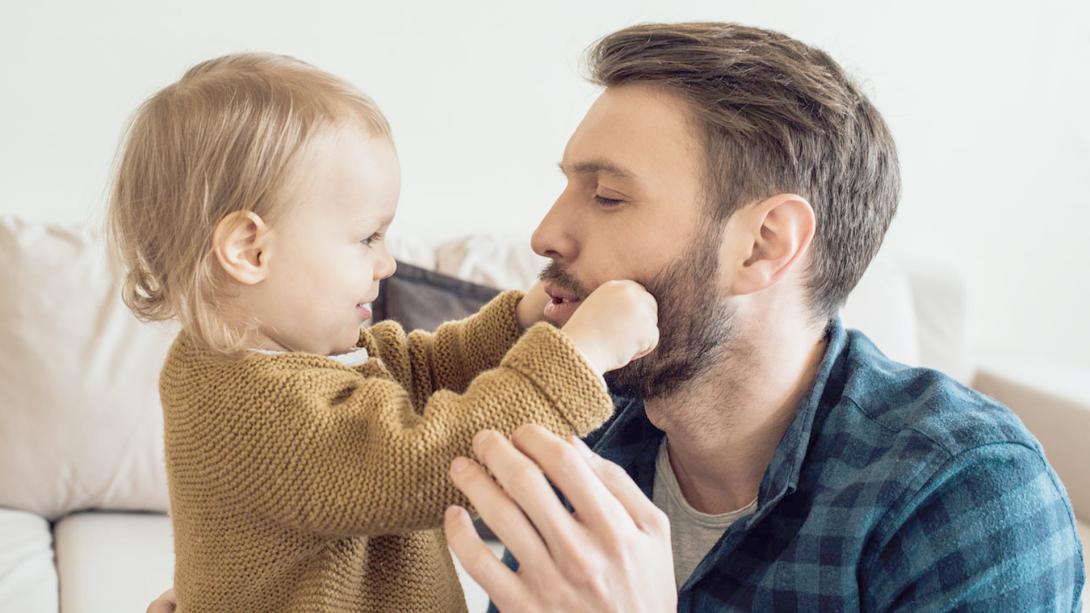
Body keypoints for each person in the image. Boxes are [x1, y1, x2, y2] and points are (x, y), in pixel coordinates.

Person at [442, 23, 1086, 612]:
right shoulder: (576, 426)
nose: (545, 233)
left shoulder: (964, 495)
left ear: (764, 244)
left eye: (608, 195)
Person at [109, 52, 658, 612]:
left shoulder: (303, 357)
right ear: (251, 250)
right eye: (369, 237)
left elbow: (425, 371)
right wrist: (579, 355)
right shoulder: (249, 403)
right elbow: (433, 460)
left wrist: (522, 319)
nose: (387, 264)